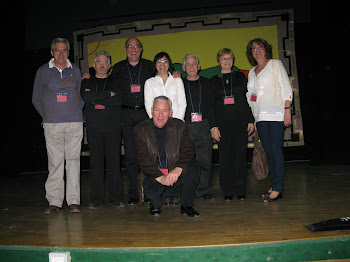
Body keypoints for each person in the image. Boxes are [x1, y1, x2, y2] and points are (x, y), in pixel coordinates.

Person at [32, 37, 84, 214]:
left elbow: (82, 96)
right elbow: (36, 98)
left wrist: (74, 111)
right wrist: (48, 115)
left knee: (73, 162)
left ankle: (73, 201)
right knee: (55, 163)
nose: (61, 53)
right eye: (57, 50)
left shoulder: (75, 70)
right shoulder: (42, 71)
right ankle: (54, 201)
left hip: (74, 124)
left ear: (68, 53)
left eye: (64, 50)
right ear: (52, 52)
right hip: (52, 125)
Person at [134, 96, 200, 217]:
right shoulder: (140, 130)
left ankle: (187, 206)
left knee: (194, 165)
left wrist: (178, 168)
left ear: (170, 113)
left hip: (173, 172)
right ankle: (154, 202)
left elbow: (188, 151)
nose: (160, 115)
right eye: (157, 110)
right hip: (154, 175)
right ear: (151, 111)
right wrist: (160, 177)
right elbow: (142, 160)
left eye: (165, 111)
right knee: (156, 204)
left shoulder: (179, 126)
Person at [245, 38, 293, 202]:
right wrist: (255, 118)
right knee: (269, 152)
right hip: (260, 117)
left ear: (266, 49)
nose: (257, 50)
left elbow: (286, 86)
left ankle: (278, 189)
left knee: (275, 151)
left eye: (260, 47)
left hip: (276, 113)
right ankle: (275, 185)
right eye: (253, 48)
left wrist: (287, 109)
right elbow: (251, 97)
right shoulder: (252, 72)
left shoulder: (275, 64)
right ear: (250, 53)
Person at [110, 37, 154, 205]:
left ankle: (149, 191)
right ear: (125, 49)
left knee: (148, 154)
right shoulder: (119, 68)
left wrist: (176, 73)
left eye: (136, 47)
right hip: (126, 115)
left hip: (144, 114)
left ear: (141, 49)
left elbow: (165, 74)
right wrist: (88, 77)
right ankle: (134, 192)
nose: (133, 50)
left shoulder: (150, 66)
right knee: (130, 156)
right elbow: (106, 82)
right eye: (130, 46)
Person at [209, 48, 255, 201]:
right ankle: (228, 190)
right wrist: (213, 126)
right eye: (224, 59)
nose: (227, 61)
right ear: (219, 61)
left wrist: (250, 119)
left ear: (233, 60)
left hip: (240, 122)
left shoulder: (241, 77)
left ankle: (240, 189)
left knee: (240, 158)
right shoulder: (214, 81)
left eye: (229, 58)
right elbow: (211, 106)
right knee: (225, 158)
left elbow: (246, 99)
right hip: (222, 125)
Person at [80, 51, 124, 209]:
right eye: (99, 62)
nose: (102, 65)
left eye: (105, 62)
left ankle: (117, 198)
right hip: (94, 129)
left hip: (112, 128)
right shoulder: (87, 82)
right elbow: (86, 98)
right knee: (96, 164)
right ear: (94, 65)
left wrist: (96, 97)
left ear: (109, 66)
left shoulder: (116, 81)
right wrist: (107, 95)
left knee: (114, 164)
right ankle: (96, 199)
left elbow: (118, 100)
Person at [182, 54, 214, 199]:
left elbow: (213, 106)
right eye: (188, 65)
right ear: (183, 68)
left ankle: (203, 190)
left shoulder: (207, 83)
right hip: (186, 125)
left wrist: (214, 126)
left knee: (205, 160)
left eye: (194, 64)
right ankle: (188, 189)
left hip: (204, 124)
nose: (191, 67)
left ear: (199, 66)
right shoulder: (179, 84)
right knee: (187, 160)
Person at [144, 52, 187, 121]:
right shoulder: (149, 82)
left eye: (165, 61)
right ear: (155, 64)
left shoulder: (177, 80)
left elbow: (182, 102)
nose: (162, 64)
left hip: (176, 120)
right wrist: (157, 121)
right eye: (159, 61)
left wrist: (178, 120)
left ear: (169, 64)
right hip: (158, 122)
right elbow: (148, 105)